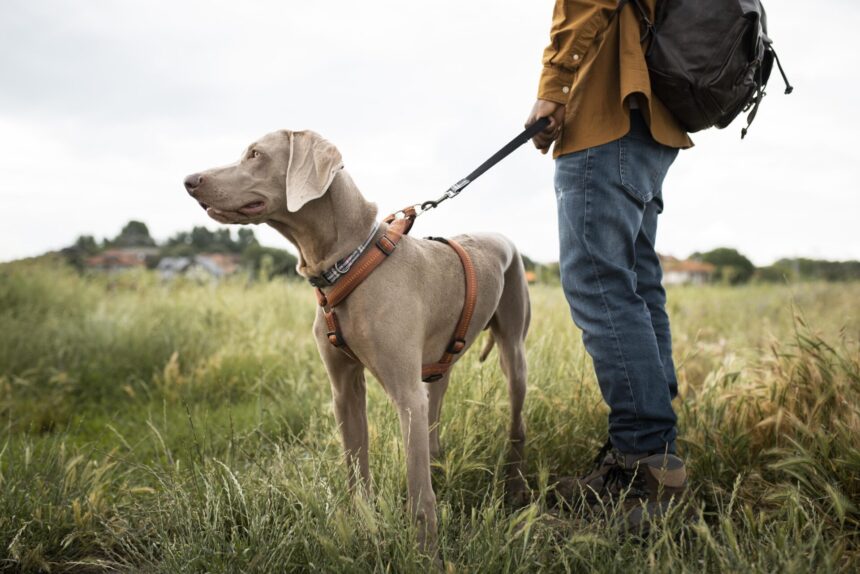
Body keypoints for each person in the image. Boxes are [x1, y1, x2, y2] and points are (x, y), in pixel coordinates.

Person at [525, 0, 691, 522]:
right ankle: (655, 451)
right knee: (636, 285)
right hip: (651, 119)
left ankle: (644, 465)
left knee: (600, 286)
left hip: (607, 115)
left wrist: (553, 87)